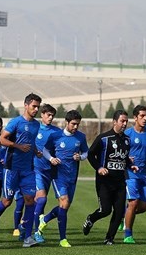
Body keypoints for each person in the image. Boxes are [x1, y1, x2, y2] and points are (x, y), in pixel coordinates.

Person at [0, 93, 42, 248]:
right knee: (7, 200)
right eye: (34, 106)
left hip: (28, 169)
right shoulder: (16, 122)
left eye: (38, 106)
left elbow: (30, 142)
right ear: (26, 105)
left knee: (30, 200)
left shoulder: (36, 125)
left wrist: (36, 150)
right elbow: (2, 139)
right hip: (11, 168)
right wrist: (18, 147)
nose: (36, 109)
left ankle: (27, 237)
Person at [82, 110, 138, 245]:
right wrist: (99, 168)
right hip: (104, 182)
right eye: (122, 121)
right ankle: (91, 219)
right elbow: (90, 154)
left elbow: (123, 158)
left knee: (119, 212)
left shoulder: (127, 140)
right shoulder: (103, 138)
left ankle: (109, 238)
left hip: (120, 182)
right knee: (105, 210)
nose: (125, 124)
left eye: (126, 121)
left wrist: (131, 165)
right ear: (114, 121)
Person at [38, 110, 89, 247]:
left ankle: (44, 220)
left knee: (64, 207)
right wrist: (52, 159)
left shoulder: (81, 137)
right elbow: (45, 150)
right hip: (58, 175)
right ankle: (62, 239)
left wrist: (81, 157)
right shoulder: (55, 136)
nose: (76, 127)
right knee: (64, 202)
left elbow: (85, 152)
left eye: (78, 124)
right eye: (73, 124)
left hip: (72, 176)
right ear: (67, 122)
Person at [123, 105, 146, 244]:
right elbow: (121, 153)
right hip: (130, 174)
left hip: (145, 175)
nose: (145, 118)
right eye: (142, 116)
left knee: (142, 207)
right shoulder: (128, 134)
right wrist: (127, 160)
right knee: (133, 202)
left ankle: (122, 216)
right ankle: (128, 235)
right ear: (135, 117)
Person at [31, 104, 61, 243]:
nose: (50, 117)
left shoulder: (57, 131)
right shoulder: (34, 128)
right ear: (42, 115)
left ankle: (25, 226)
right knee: (42, 199)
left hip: (50, 171)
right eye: (48, 115)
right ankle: (37, 232)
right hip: (36, 169)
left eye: (52, 115)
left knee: (39, 202)